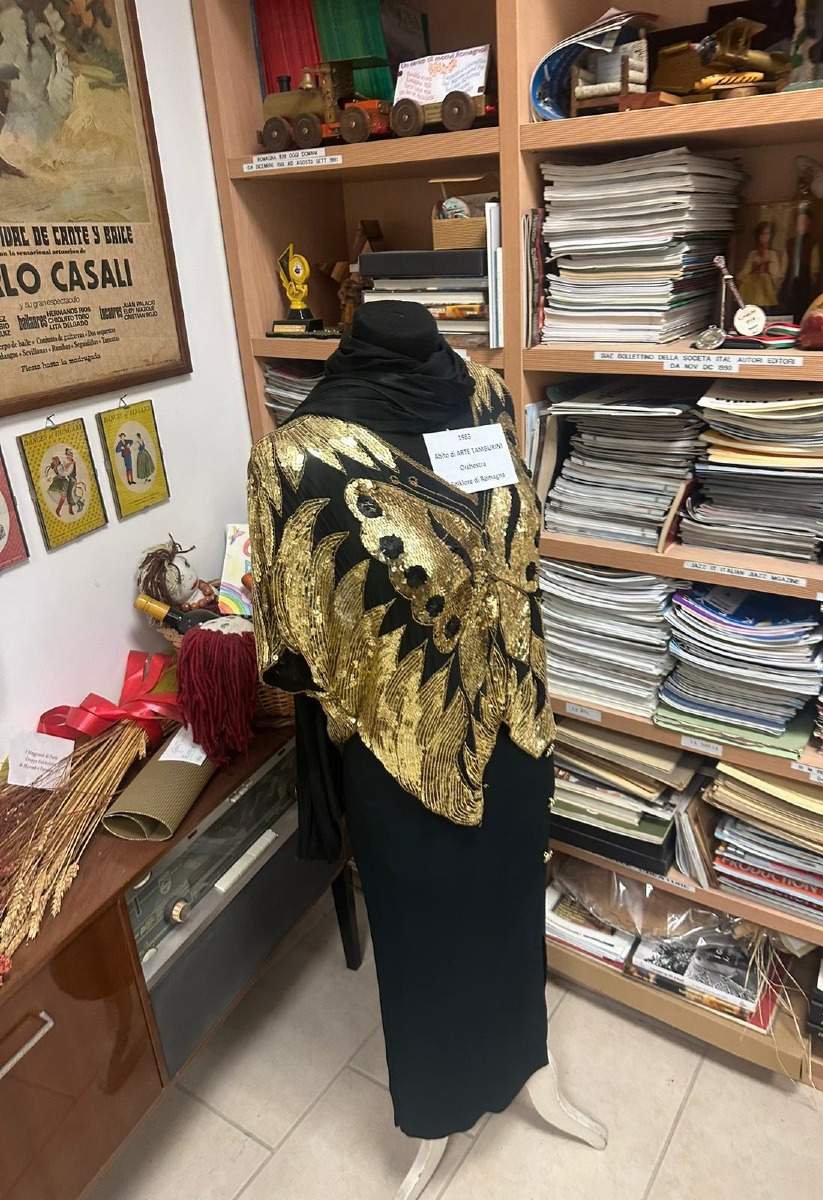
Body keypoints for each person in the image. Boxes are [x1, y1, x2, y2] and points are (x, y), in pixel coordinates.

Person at [248, 302, 604, 1180]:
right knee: (423, 949)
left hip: (518, 736)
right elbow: (289, 646)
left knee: (512, 915)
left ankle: (528, 1062)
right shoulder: (290, 459)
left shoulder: (488, 394)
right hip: (400, 761)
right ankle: (436, 1111)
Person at [737, 220, 786, 310]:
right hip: (752, 283)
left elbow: (776, 272)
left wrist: (776, 283)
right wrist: (741, 278)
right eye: (762, 233)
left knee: (765, 304)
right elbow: (746, 269)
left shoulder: (772, 254)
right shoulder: (753, 253)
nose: (765, 236)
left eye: (767, 234)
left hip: (766, 284)